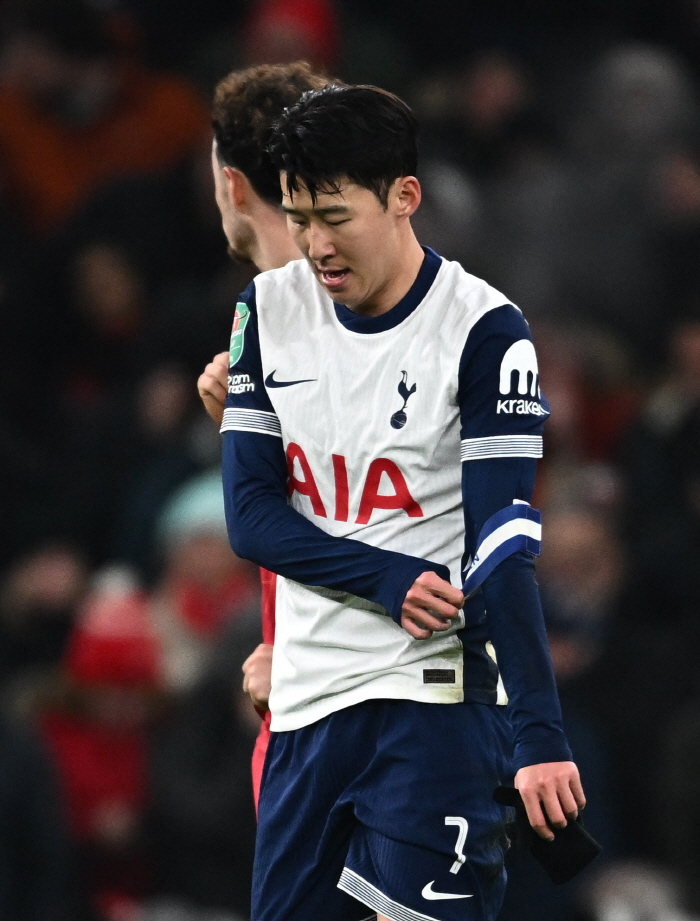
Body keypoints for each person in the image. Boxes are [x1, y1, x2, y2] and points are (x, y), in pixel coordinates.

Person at [216, 83, 584, 921]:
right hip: (308, 708)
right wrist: (383, 577)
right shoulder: (266, 312)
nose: (315, 244)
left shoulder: (485, 331)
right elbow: (251, 514)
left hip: (435, 705)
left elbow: (502, 544)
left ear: (404, 197)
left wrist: (539, 733)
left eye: (335, 216)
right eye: (299, 218)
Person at [196, 61, 331, 806]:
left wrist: (308, 654)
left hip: (346, 707)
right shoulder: (271, 311)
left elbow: (387, 506)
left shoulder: (329, 305)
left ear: (232, 185)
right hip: (306, 691)